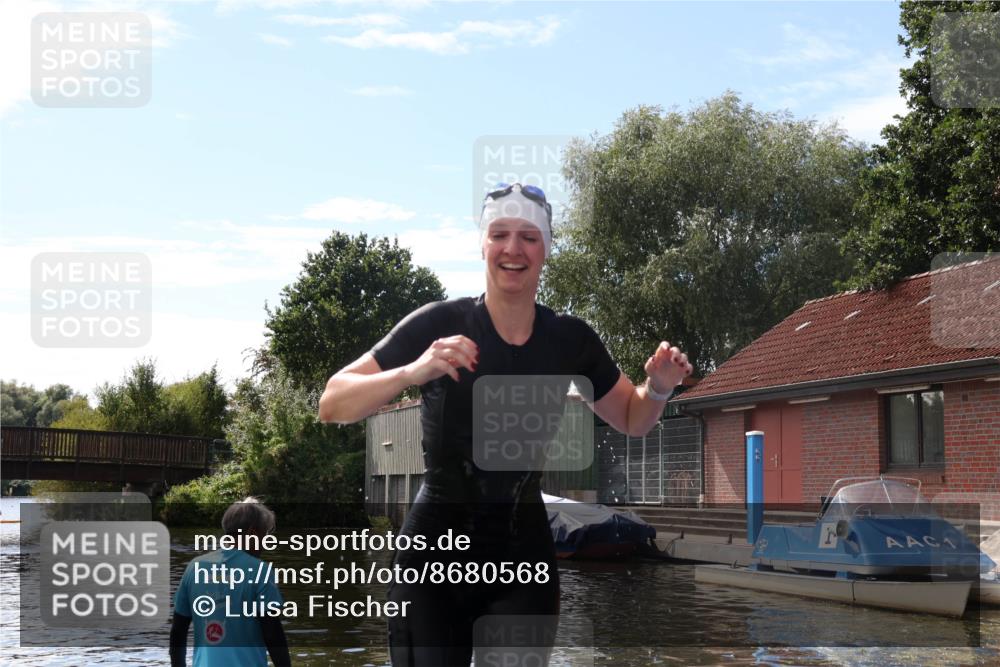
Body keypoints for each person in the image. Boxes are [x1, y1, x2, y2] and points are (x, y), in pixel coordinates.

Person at [318, 182, 692, 666]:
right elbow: (333, 402)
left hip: (523, 551)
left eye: (529, 237)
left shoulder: (570, 339)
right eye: (500, 234)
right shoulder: (439, 324)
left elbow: (630, 417)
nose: (513, 249)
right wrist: (414, 371)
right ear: (482, 245)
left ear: (546, 250)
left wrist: (659, 387)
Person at [170, 497, 291, 667]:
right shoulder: (259, 570)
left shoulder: (194, 567)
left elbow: (178, 632)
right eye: (265, 536)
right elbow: (272, 633)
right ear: (252, 532)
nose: (265, 544)